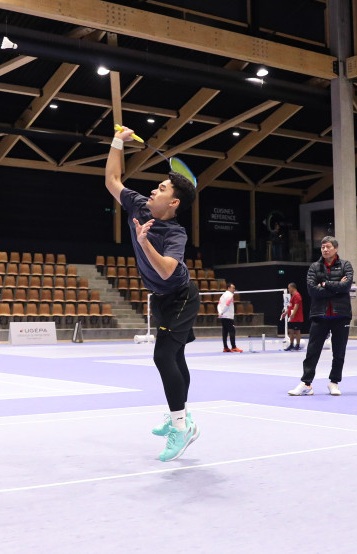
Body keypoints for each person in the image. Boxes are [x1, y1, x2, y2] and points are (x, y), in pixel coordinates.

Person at [105, 126, 200, 462]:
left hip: (181, 296)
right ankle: (183, 417)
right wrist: (119, 141)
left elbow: (167, 270)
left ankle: (180, 427)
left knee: (163, 357)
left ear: (173, 202)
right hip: (161, 299)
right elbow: (112, 179)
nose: (152, 190)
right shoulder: (139, 205)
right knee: (176, 358)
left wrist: (144, 242)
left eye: (160, 188)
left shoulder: (175, 232)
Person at [288, 236, 354, 396]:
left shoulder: (346, 265)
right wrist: (336, 286)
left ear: (336, 248)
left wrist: (324, 284)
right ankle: (306, 384)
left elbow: (346, 286)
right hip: (319, 315)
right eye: (323, 247)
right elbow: (311, 290)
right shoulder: (314, 267)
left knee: (339, 352)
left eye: (328, 247)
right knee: (312, 352)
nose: (325, 249)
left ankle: (334, 382)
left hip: (341, 315)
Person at [217, 283, 243, 353]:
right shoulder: (230, 295)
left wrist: (220, 313)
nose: (234, 289)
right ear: (228, 288)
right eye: (233, 288)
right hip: (228, 316)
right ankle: (234, 347)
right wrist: (222, 312)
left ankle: (225, 347)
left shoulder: (222, 295)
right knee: (232, 331)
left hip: (223, 316)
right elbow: (227, 305)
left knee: (225, 332)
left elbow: (219, 305)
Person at [281, 282, 303, 351]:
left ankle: (298, 345)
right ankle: (291, 344)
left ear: (292, 288)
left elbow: (297, 305)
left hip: (296, 317)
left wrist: (293, 314)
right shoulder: (292, 296)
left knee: (297, 331)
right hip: (291, 317)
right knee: (290, 331)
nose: (288, 289)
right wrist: (285, 313)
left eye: (289, 288)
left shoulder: (297, 295)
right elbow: (291, 307)